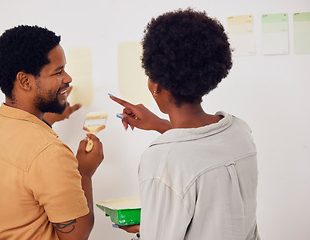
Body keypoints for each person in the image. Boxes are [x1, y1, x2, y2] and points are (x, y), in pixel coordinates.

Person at [110, 8, 260, 240]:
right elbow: (202, 152)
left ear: (156, 85)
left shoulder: (162, 160)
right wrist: (160, 124)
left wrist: (146, 229)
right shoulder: (239, 131)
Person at [0, 25, 104, 240]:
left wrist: (45, 120)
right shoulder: (50, 152)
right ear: (25, 81)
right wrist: (84, 173)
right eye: (58, 72)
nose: (68, 78)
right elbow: (76, 235)